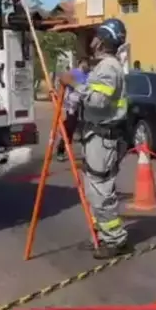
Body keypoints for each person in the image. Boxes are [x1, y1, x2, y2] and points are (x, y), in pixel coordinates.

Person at [59, 18, 131, 259]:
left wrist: (76, 83)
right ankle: (101, 233)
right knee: (93, 191)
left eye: (95, 36)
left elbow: (98, 102)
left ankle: (116, 239)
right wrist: (79, 77)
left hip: (103, 137)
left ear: (102, 40)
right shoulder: (102, 66)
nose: (91, 40)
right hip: (96, 136)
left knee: (100, 191)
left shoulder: (109, 68)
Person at [56, 57, 90, 161]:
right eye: (85, 64)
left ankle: (86, 153)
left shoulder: (89, 74)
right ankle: (61, 150)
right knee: (70, 128)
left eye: (88, 65)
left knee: (86, 129)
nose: (87, 66)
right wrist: (74, 85)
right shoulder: (74, 72)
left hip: (85, 105)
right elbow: (62, 79)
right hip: (73, 104)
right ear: (81, 63)